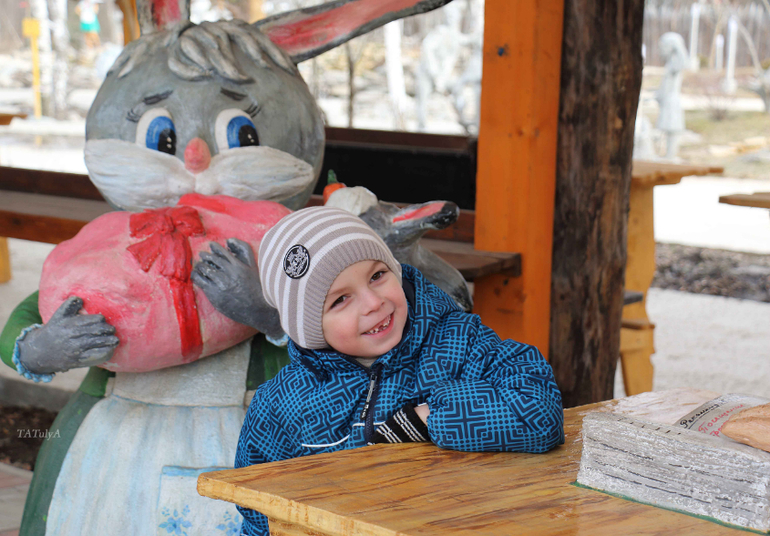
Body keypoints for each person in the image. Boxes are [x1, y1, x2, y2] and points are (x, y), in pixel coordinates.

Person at [235, 207, 564, 534]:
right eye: (340, 300)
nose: (373, 303)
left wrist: (429, 416)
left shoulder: (460, 345)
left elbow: (539, 410)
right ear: (309, 328)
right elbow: (257, 506)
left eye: (377, 276)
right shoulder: (281, 405)